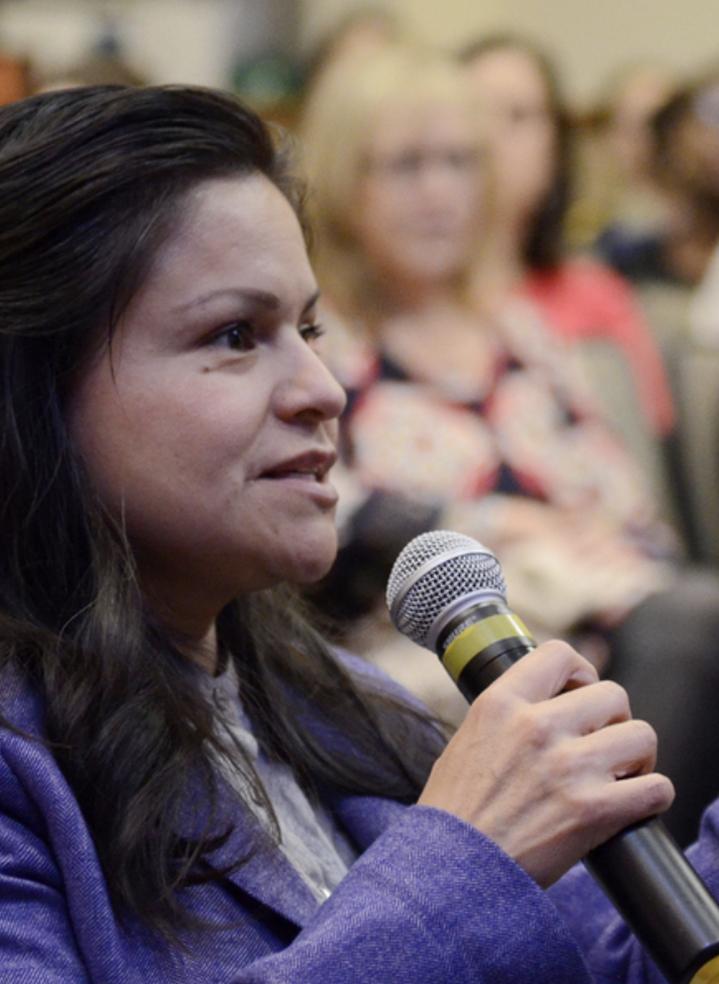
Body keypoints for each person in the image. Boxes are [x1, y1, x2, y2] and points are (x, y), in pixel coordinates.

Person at [0, 81, 680, 982]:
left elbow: (605, 965)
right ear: (37, 387)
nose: (323, 387)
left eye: (309, 327)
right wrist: (462, 863)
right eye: (237, 333)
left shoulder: (338, 702)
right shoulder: (23, 765)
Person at [299, 44, 719, 846]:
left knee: (685, 623)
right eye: (405, 166)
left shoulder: (520, 333)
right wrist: (493, 523)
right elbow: (325, 534)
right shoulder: (324, 346)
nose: (438, 194)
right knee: (690, 629)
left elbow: (634, 519)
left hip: (609, 641)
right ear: (347, 183)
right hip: (435, 671)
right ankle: (649, 921)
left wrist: (583, 556)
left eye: (458, 162)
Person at [459, 34, 676, 448]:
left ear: (555, 143)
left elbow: (642, 458)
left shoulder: (600, 297)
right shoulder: (399, 307)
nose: (490, 136)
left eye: (518, 115)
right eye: (473, 112)